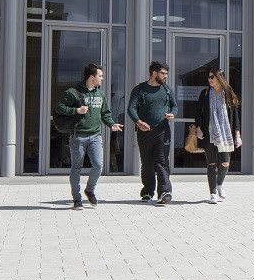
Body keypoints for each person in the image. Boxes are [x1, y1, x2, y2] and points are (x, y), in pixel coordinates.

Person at [53, 63, 124, 209]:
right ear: (92, 77)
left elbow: (105, 114)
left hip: (95, 136)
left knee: (98, 165)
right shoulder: (73, 92)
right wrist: (77, 110)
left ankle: (90, 190)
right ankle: (77, 198)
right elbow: (59, 107)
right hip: (78, 136)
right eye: (100, 76)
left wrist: (112, 124)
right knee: (76, 168)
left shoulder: (100, 94)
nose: (102, 79)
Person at [128, 61, 176, 204]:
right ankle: (147, 192)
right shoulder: (140, 89)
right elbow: (131, 108)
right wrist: (138, 122)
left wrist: (172, 114)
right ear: (154, 73)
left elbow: (174, 106)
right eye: (163, 73)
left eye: (166, 73)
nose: (165, 76)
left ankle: (165, 191)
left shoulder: (167, 90)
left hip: (162, 130)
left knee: (161, 161)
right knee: (147, 162)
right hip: (145, 132)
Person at [193, 67, 241, 204]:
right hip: (209, 133)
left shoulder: (228, 94)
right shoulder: (205, 93)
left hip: (225, 134)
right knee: (212, 163)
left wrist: (237, 134)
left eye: (212, 77)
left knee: (225, 163)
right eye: (209, 77)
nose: (209, 79)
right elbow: (197, 112)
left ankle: (219, 184)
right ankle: (213, 193)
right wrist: (199, 128)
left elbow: (235, 116)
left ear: (220, 78)